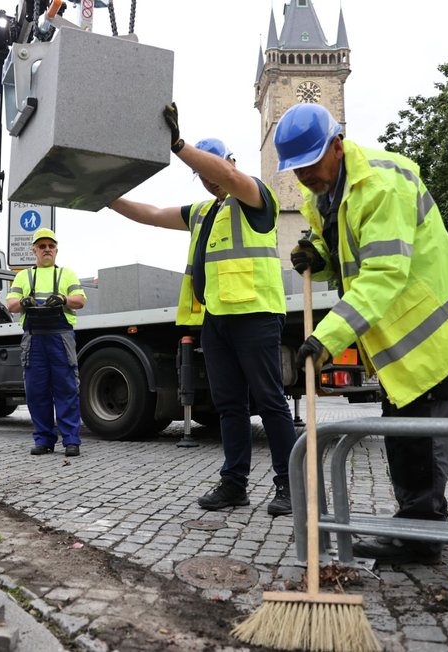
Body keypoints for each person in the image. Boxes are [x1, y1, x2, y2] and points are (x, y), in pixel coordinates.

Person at [276, 103, 448, 563]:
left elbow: (383, 274)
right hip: (399, 335)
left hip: (428, 328)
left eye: (310, 164)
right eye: (296, 169)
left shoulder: (380, 183)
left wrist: (326, 339)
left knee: (420, 435)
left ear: (336, 145)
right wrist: (320, 256)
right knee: (404, 434)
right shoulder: (325, 194)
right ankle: (416, 526)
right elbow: (346, 248)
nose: (304, 176)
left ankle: (421, 536)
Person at [109, 103, 297, 517]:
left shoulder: (254, 196)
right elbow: (154, 215)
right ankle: (234, 485)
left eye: (214, 170)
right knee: (229, 405)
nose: (211, 180)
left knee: (269, 402)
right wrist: (108, 198)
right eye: (203, 176)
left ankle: (288, 485)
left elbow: (228, 177)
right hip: (217, 321)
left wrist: (177, 144)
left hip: (257, 316)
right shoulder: (202, 212)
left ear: (229, 162)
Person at [6, 228, 87, 457]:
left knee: (67, 389)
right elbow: (10, 305)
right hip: (34, 339)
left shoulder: (66, 274)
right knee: (36, 391)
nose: (47, 250)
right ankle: (43, 440)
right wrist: (24, 301)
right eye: (42, 246)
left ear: (56, 249)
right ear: (35, 250)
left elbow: (79, 301)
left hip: (60, 336)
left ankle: (71, 441)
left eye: (51, 246)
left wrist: (62, 299)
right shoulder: (23, 276)